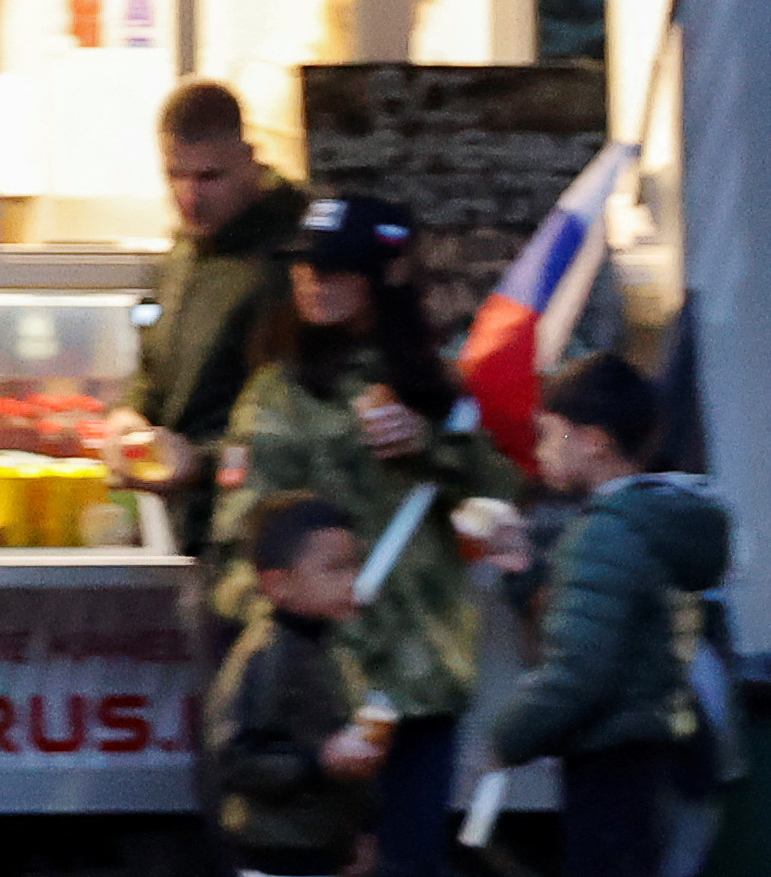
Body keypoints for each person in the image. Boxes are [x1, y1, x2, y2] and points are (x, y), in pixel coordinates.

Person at [209, 197, 519, 877]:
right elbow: (239, 536)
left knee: (410, 861)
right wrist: (275, 630)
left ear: (383, 276)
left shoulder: (433, 383)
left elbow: (497, 496)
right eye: (305, 269)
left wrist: (430, 442)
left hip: (416, 671)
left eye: (338, 269)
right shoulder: (276, 391)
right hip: (317, 687)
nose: (315, 282)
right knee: (314, 858)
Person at [485, 353, 731, 877]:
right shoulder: (656, 521)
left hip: (613, 772)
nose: (540, 452)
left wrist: (506, 737)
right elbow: (606, 618)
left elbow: (580, 670)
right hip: (670, 758)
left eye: (550, 435)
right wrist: (526, 571)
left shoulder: (603, 533)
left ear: (594, 440)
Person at [105, 81, 309, 558]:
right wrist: (131, 415)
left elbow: (305, 422)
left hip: (266, 540)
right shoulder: (182, 258)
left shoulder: (297, 264)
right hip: (189, 531)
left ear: (250, 160)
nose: (190, 196)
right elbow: (157, 369)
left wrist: (199, 462)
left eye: (210, 177)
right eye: (175, 176)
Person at [207, 490, 387, 877]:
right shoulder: (264, 654)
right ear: (278, 585)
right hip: (273, 855)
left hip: (326, 848)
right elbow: (234, 758)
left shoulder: (333, 646)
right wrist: (318, 763)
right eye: (334, 569)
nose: (353, 580)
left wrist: (364, 829)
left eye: (354, 565)